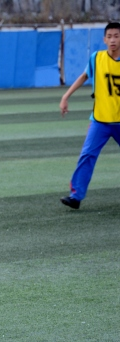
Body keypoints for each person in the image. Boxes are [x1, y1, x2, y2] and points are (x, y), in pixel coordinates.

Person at [59, 22, 120, 209]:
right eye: (109, 36)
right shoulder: (97, 58)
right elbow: (84, 76)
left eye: (116, 36)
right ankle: (76, 196)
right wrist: (66, 96)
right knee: (87, 155)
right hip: (100, 121)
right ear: (104, 39)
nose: (113, 40)